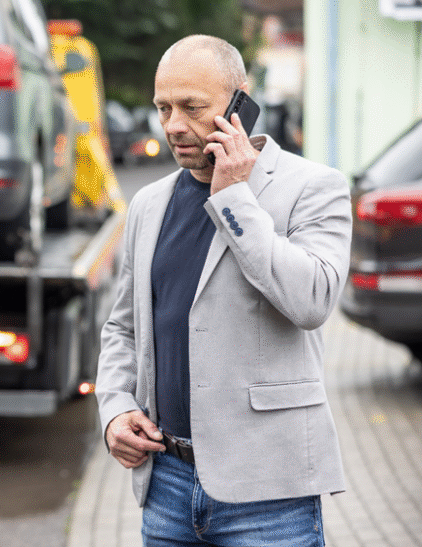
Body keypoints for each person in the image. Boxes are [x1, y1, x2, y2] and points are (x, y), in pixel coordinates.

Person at [95, 34, 351, 546]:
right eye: (163, 107)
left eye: (191, 107)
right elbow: (123, 326)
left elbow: (313, 301)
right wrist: (115, 409)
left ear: (241, 100)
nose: (173, 125)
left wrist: (235, 197)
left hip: (270, 494)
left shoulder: (313, 187)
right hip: (166, 485)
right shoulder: (148, 203)